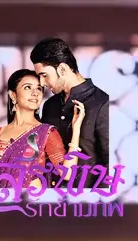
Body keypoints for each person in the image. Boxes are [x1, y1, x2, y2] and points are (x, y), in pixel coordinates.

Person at [0, 69, 85, 195]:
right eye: (28, 87)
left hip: (32, 202)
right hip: (0, 202)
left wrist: (76, 130)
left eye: (39, 88)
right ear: (13, 95)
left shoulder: (46, 132)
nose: (35, 93)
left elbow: (67, 173)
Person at [30, 37, 110, 186]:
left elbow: (108, 163)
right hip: (50, 196)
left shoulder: (102, 103)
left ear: (62, 69)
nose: (42, 83)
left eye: (44, 75)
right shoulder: (50, 105)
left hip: (85, 197)